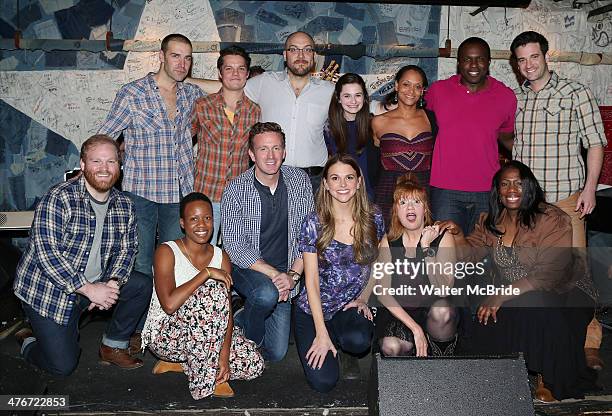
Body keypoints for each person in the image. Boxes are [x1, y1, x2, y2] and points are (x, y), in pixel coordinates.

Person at [441, 160, 595, 401]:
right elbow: (469, 257)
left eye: (518, 184)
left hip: (566, 291)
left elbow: (551, 272)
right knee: (487, 320)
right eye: (505, 184)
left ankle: (549, 375)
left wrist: (501, 295)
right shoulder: (490, 221)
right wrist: (458, 235)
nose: (511, 190)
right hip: (517, 292)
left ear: (529, 187)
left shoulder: (552, 218)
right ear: (497, 190)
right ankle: (506, 372)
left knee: (536, 303)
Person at [510, 31, 608, 370]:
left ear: (545, 56)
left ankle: (588, 344)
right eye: (521, 60)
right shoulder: (516, 99)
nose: (528, 65)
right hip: (528, 207)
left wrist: (590, 188)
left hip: (567, 202)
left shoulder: (575, 92)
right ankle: (539, 346)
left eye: (533, 57)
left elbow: (596, 143)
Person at [13, 135, 150, 374]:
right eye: (97, 161)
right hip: (48, 291)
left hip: (95, 283)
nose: (104, 169)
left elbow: (127, 249)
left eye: (111, 162)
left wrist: (112, 283)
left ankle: (113, 346)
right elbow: (47, 254)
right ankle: (28, 339)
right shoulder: (59, 197)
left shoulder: (124, 204)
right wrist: (90, 289)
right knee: (62, 366)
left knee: (142, 285)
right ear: (83, 165)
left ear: (119, 165)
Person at [99, 33, 205, 279]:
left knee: (171, 264)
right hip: (141, 192)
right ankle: (140, 315)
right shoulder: (132, 93)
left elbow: (222, 88)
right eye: (175, 56)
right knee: (140, 263)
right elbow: (105, 137)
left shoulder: (192, 95)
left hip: (178, 192)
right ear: (161, 56)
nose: (182, 64)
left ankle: (163, 316)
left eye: (187, 59)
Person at [141, 192, 264, 400]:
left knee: (253, 365)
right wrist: (206, 274)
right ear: (182, 223)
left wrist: (224, 356)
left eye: (207, 218)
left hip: (208, 333)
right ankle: (206, 381)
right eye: (194, 219)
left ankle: (189, 363)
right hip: (167, 335)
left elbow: (227, 313)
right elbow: (169, 305)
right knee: (212, 291)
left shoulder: (221, 256)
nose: (202, 225)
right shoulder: (166, 251)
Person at [188, 31, 334, 193]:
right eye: (294, 49)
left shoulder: (329, 91)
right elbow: (230, 87)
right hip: (273, 176)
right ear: (285, 55)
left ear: (314, 56)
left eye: (307, 49)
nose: (301, 55)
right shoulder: (265, 82)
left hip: (312, 180)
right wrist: (185, 80)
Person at [221, 122, 314, 361]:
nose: (270, 156)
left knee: (276, 353)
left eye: (276, 148)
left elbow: (307, 236)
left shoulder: (300, 181)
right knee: (264, 295)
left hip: (288, 272)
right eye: (263, 149)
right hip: (250, 268)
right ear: (252, 154)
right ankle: (245, 345)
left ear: (284, 152)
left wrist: (292, 276)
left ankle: (241, 317)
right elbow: (234, 246)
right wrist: (275, 275)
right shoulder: (236, 189)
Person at [295, 154, 385, 392]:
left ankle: (343, 343)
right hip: (313, 310)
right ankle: (330, 338)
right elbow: (311, 283)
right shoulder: (313, 223)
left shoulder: (374, 218)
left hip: (349, 307)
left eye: (349, 177)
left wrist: (365, 297)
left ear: (358, 181)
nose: (342, 185)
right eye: (335, 178)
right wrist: (321, 333)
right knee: (323, 382)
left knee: (359, 340)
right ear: (325, 183)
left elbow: (378, 263)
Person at [426, 37, 516, 235]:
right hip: (444, 189)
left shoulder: (505, 96)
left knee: (482, 254)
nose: (474, 65)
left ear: (489, 62)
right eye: (467, 59)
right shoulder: (438, 91)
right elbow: (416, 117)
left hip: (487, 189)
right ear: (459, 63)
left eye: (480, 59)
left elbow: (508, 139)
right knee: (446, 253)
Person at [375, 174, 458, 357]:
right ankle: (408, 380)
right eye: (403, 202)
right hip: (401, 313)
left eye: (416, 201)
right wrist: (416, 329)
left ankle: (442, 369)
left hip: (434, 313)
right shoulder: (388, 242)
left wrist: (426, 249)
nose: (410, 207)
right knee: (390, 346)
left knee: (442, 310)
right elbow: (383, 293)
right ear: (396, 210)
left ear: (425, 208)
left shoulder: (443, 238)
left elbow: (443, 289)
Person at [192, 45, 260, 245]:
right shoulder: (202, 106)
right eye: (229, 68)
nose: (235, 73)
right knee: (202, 251)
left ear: (247, 74)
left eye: (240, 68)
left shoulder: (255, 111)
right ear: (220, 73)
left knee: (236, 253)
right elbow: (181, 142)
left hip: (238, 195)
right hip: (206, 192)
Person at [372, 65, 438, 227]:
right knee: (388, 244)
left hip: (423, 191)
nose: (411, 91)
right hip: (388, 192)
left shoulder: (432, 119)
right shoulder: (378, 121)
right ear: (396, 86)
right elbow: (373, 163)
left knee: (422, 243)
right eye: (406, 84)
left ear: (423, 90)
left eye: (417, 86)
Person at [324, 73, 379, 200]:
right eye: (347, 96)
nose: (353, 101)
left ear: (364, 97)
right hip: (340, 195)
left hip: (369, 196)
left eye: (358, 95)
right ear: (338, 98)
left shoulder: (374, 124)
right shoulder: (328, 129)